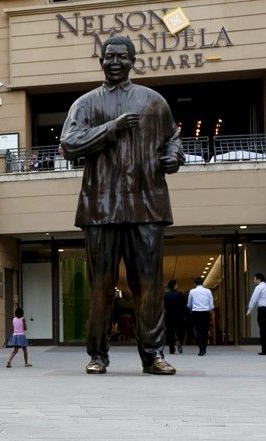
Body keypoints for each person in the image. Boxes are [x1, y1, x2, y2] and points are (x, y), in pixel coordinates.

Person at [59, 35, 182, 376]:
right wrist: (110, 128)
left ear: (132, 60)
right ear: (101, 61)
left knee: (149, 284)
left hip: (146, 204)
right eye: (108, 56)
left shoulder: (153, 101)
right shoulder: (86, 104)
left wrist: (173, 155)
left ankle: (153, 355)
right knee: (101, 284)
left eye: (121, 56)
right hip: (101, 207)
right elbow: (69, 144)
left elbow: (173, 138)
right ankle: (98, 354)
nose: (114, 62)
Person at [247, 272, 266, 355]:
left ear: (258, 279)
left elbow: (254, 299)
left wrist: (249, 309)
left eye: (254, 279)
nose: (254, 280)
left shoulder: (259, 288)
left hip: (263, 310)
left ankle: (265, 350)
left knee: (263, 330)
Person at [187, 277, 214, 357]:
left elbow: (189, 303)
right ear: (202, 283)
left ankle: (200, 347)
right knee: (205, 330)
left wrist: (189, 308)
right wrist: (210, 311)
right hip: (205, 312)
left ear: (195, 283)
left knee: (197, 330)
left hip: (196, 312)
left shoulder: (192, 291)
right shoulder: (208, 291)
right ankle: (204, 347)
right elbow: (211, 302)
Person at [164, 280, 188, 354]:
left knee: (170, 332)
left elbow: (164, 306)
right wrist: (185, 315)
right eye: (177, 285)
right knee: (180, 331)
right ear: (174, 286)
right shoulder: (180, 294)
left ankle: (171, 348)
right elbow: (184, 306)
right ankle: (179, 341)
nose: (177, 286)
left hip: (169, 316)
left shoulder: (166, 295)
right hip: (179, 316)